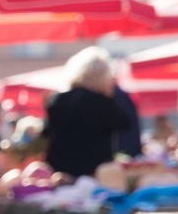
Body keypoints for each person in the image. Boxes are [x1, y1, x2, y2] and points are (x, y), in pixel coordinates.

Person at [43, 47, 140, 180]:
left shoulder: (57, 99)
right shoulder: (102, 102)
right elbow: (124, 122)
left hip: (60, 170)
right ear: (104, 76)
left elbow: (47, 133)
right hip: (94, 171)